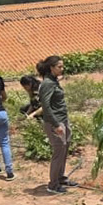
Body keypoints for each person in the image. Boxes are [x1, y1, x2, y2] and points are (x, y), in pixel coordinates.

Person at [37, 55, 77, 194]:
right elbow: (46, 106)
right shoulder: (47, 84)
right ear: (51, 68)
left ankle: (60, 178)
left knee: (64, 149)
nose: (62, 69)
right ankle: (53, 184)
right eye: (59, 67)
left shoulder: (53, 81)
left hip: (62, 120)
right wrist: (56, 124)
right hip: (55, 122)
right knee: (59, 151)